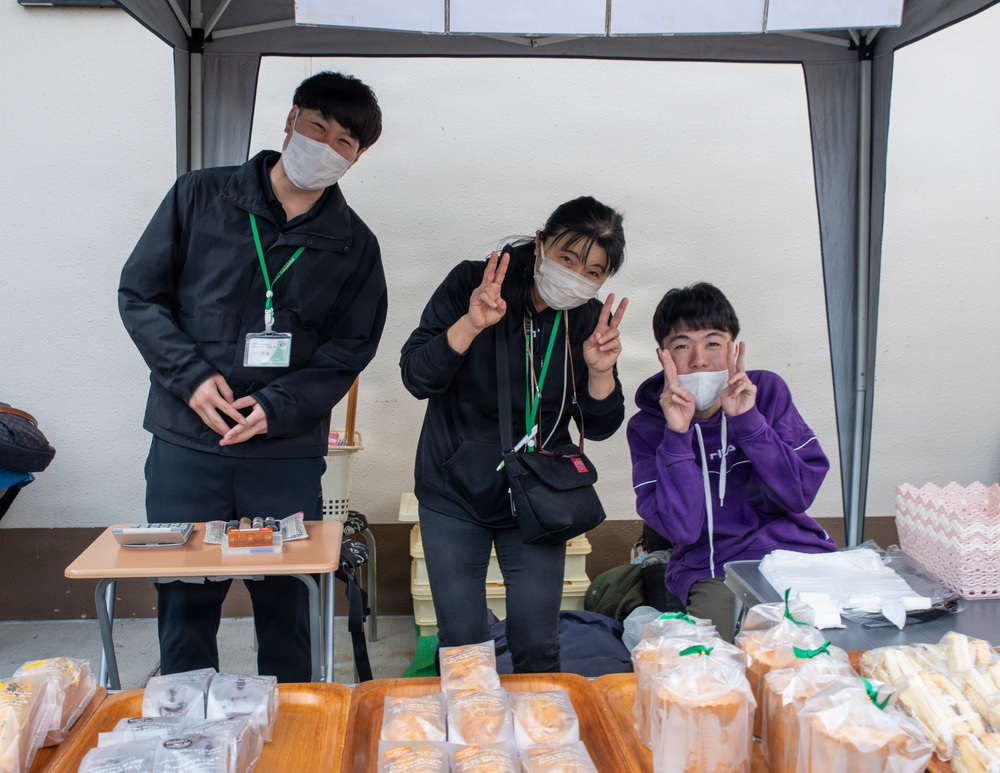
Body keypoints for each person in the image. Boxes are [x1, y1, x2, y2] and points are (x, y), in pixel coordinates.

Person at [118, 71, 387, 682]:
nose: (327, 146)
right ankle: (188, 728)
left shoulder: (355, 244)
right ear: (291, 120)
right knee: (185, 597)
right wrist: (188, 378)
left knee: (286, 601)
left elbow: (351, 347)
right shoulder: (198, 197)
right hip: (189, 442)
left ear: (358, 156)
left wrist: (282, 405)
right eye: (318, 126)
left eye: (345, 141)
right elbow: (140, 294)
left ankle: (292, 723)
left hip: (283, 453)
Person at [400, 196, 629, 672]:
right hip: (453, 488)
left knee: (537, 643)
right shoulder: (474, 282)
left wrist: (601, 373)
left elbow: (602, 425)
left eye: (593, 271)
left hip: (536, 495)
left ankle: (540, 741)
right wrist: (470, 323)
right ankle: (472, 740)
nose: (576, 276)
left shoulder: (583, 317)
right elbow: (417, 376)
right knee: (463, 644)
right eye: (567, 258)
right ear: (542, 242)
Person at [627, 282, 836, 641]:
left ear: (732, 347)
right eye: (681, 345)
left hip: (797, 556)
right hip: (713, 570)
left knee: (835, 648)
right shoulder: (648, 426)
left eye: (712, 342)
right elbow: (683, 530)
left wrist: (749, 423)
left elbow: (799, 495)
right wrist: (677, 435)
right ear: (663, 355)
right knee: (728, 662)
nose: (699, 359)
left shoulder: (766, 392)